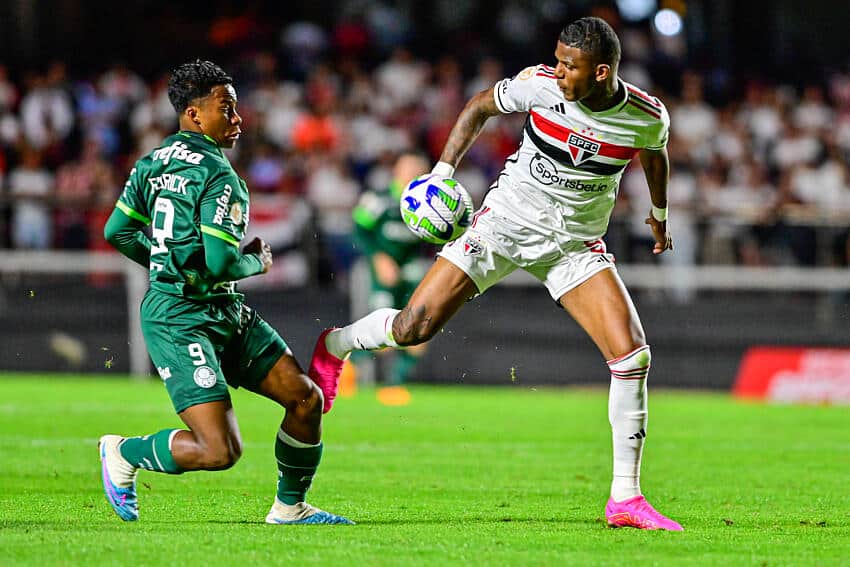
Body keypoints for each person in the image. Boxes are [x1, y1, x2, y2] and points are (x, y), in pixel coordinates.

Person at [308, 17, 682, 530]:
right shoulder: (539, 86)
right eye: (556, 59)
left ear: (601, 72)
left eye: (568, 65)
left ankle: (625, 499)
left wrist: (658, 215)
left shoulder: (645, 115)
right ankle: (337, 344)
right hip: (504, 223)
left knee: (632, 357)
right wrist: (442, 174)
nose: (558, 71)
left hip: (572, 245)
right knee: (412, 327)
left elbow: (654, 155)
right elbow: (480, 104)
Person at [99, 59, 351, 525]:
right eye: (226, 108)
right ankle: (124, 452)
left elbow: (118, 231)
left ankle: (290, 507)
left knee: (305, 398)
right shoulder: (220, 176)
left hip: (221, 309)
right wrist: (259, 260)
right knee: (219, 450)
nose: (237, 119)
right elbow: (220, 263)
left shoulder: (151, 162)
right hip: (182, 318)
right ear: (194, 115)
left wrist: (169, 265)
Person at [351, 153, 431, 404]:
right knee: (383, 336)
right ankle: (346, 368)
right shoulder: (378, 199)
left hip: (412, 270)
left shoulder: (429, 203)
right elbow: (358, 229)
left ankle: (394, 386)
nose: (412, 174)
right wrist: (379, 257)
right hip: (381, 274)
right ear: (396, 171)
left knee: (422, 328)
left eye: (418, 170)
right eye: (408, 168)